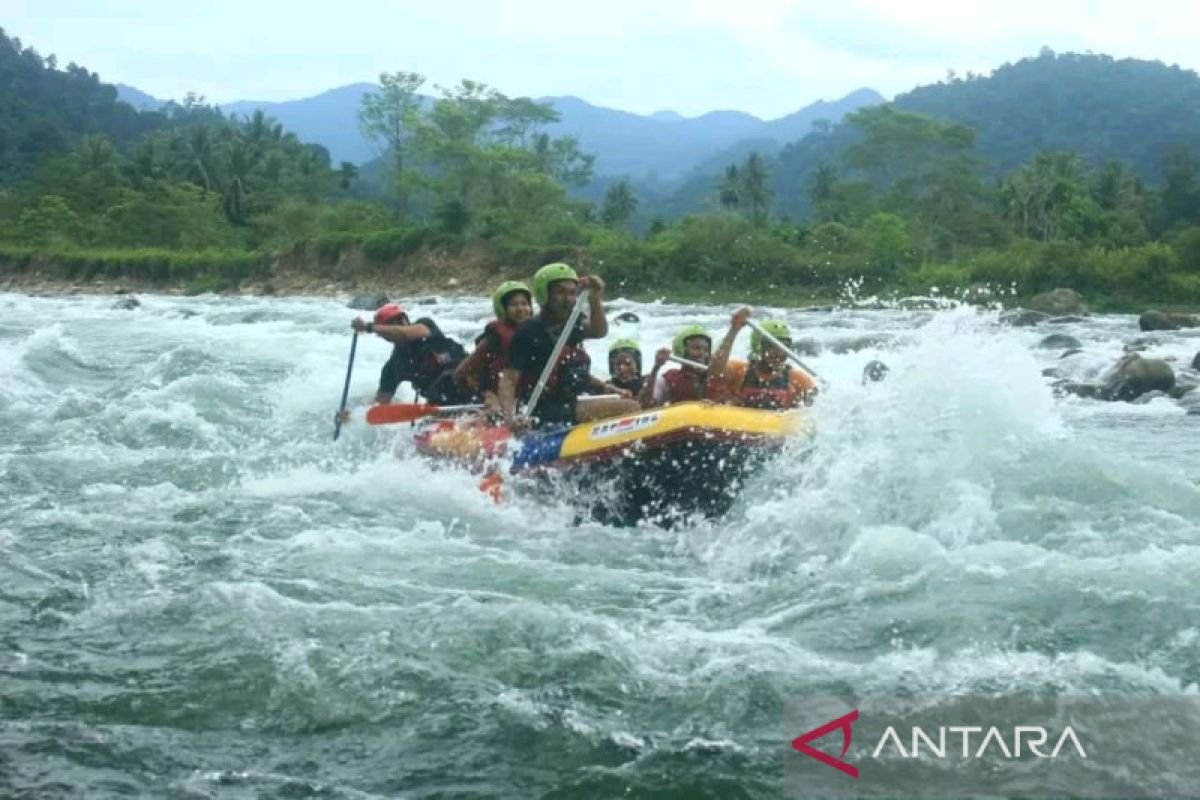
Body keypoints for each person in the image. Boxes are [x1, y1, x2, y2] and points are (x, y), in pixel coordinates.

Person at [498, 263, 640, 430]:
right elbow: (508, 380)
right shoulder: (529, 331)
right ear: (544, 294)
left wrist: (594, 299)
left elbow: (598, 331)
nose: (568, 299)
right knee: (631, 408)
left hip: (569, 402)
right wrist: (510, 419)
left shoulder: (572, 321)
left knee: (627, 403)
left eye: (572, 293)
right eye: (560, 292)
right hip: (543, 410)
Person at [350, 302, 472, 405]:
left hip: (474, 384)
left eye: (402, 319)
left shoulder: (425, 325)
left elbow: (406, 333)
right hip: (444, 402)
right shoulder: (393, 367)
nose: (401, 323)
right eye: (394, 322)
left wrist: (369, 327)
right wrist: (354, 416)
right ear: (384, 335)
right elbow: (380, 404)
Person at [707, 306, 816, 409]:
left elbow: (814, 410)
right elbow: (715, 372)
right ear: (757, 347)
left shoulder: (798, 380)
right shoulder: (740, 371)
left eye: (784, 346)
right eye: (771, 346)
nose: (779, 353)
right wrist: (734, 329)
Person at [453, 281, 533, 412]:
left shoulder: (539, 334)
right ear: (502, 309)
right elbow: (461, 373)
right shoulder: (493, 339)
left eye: (524, 304)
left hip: (525, 396)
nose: (520, 309)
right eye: (513, 305)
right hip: (496, 396)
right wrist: (487, 395)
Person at [639, 325, 712, 408]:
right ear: (682, 351)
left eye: (706, 350)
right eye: (696, 348)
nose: (702, 354)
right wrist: (656, 367)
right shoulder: (669, 379)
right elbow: (646, 404)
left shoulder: (716, 377)